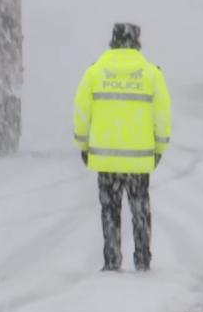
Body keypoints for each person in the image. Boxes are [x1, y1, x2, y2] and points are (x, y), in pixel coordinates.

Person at [73, 22, 171, 272]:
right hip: (138, 160)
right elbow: (162, 116)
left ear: (112, 42)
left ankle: (112, 259)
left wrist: (83, 145)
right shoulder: (151, 74)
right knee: (140, 209)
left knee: (109, 209)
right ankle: (142, 258)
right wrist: (159, 149)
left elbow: (82, 112)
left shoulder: (94, 72)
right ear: (137, 42)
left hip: (105, 159)